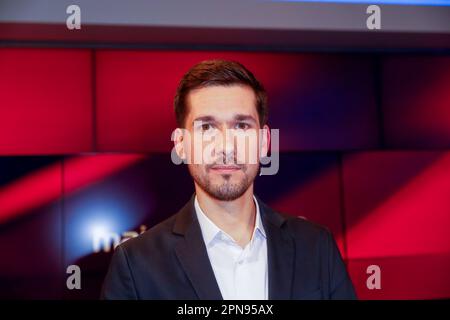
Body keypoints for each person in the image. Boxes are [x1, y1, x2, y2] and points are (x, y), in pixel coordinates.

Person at [101, 59, 356, 300]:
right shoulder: (137, 264)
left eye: (242, 126)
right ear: (180, 144)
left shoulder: (315, 247)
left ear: (265, 141)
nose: (226, 146)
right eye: (207, 127)